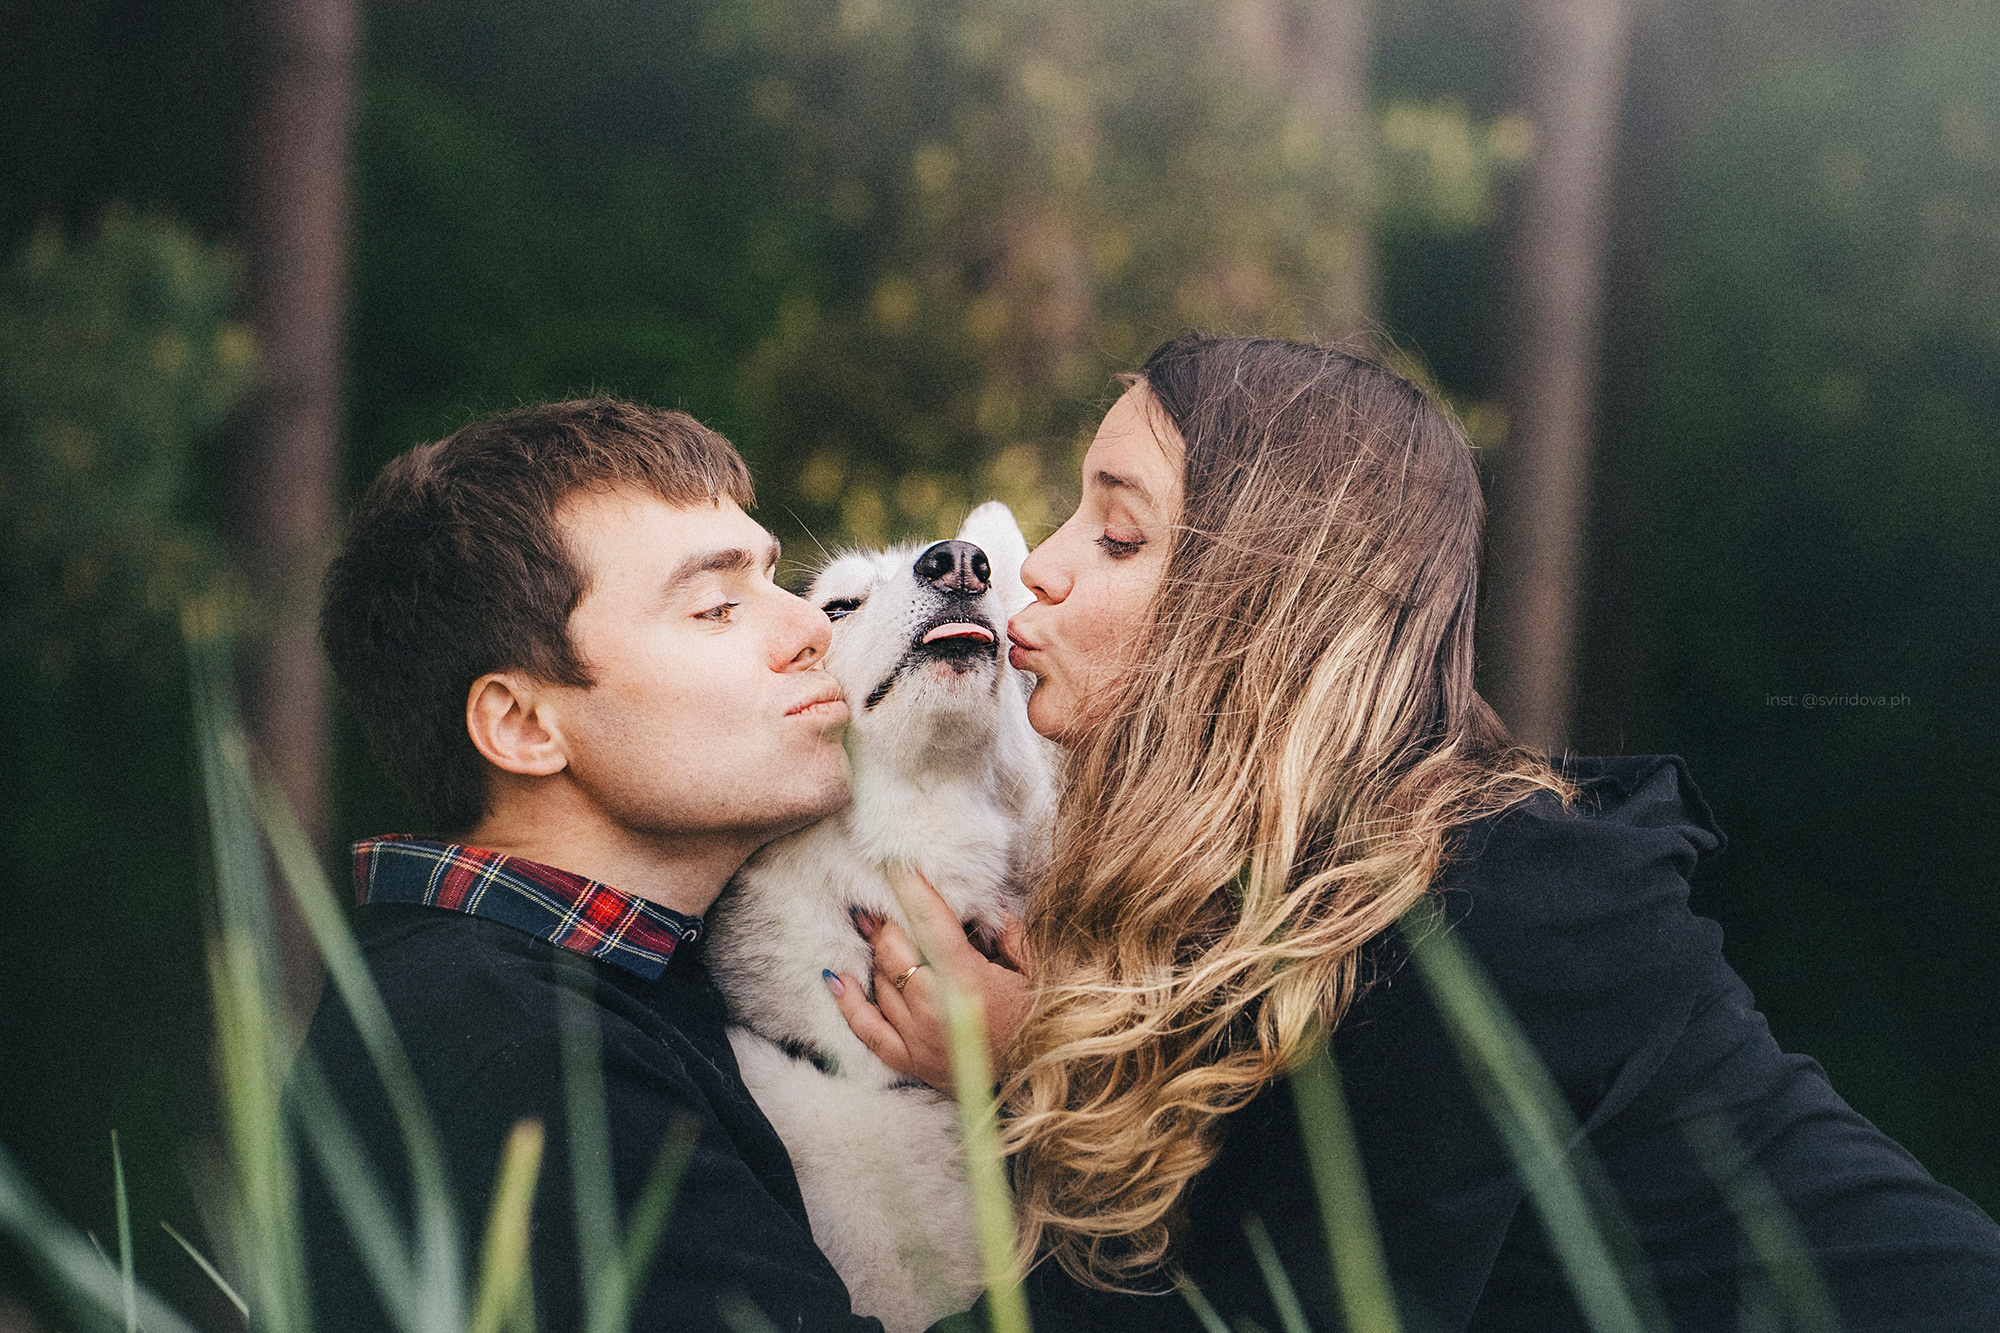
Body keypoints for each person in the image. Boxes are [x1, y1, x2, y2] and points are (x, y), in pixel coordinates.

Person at [832, 334, 2000, 1330]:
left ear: (1262, 607)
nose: (1035, 565)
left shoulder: (1472, 911)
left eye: (1118, 535)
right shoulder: (1310, 893)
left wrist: (1028, 1076)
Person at [299, 398, 952, 1332]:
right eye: (717, 606)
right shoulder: (523, 1051)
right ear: (523, 725)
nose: (813, 625)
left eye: (775, 579)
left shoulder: (581, 989)